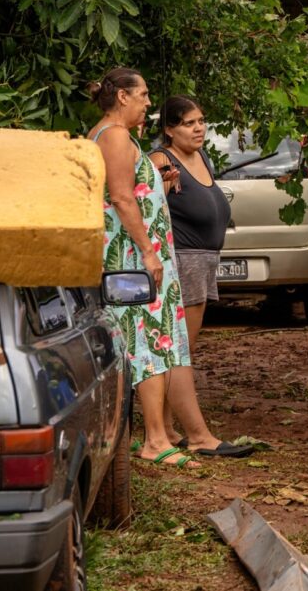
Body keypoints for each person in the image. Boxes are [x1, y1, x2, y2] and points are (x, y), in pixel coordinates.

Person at [88, 68, 252, 463]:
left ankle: (159, 436)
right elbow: (122, 199)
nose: (148, 102)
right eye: (142, 94)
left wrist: (159, 188)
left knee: (158, 341)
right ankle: (154, 441)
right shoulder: (112, 135)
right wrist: (147, 250)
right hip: (132, 258)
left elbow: (135, 196)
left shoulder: (119, 136)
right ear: (122, 97)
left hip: (142, 254)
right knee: (147, 343)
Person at [150, 96, 231, 360]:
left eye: (201, 121)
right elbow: (148, 206)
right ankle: (169, 401)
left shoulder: (202, 156)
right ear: (169, 130)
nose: (199, 128)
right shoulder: (163, 159)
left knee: (187, 345)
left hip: (204, 260)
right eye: (188, 123)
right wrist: (162, 184)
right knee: (180, 347)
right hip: (185, 259)